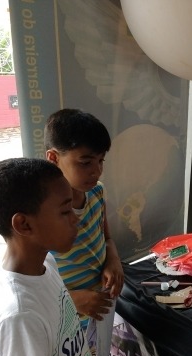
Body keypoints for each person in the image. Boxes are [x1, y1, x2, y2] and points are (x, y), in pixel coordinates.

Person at [0, 158, 94, 356]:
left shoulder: (47, 264)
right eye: (65, 211)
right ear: (24, 224)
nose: (75, 219)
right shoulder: (19, 317)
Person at [44, 108, 124, 331]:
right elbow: (29, 284)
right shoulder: (42, 215)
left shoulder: (97, 193)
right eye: (85, 162)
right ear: (53, 158)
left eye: (101, 161)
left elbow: (106, 237)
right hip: (65, 322)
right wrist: (73, 300)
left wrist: (113, 260)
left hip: (99, 313)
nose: (96, 171)